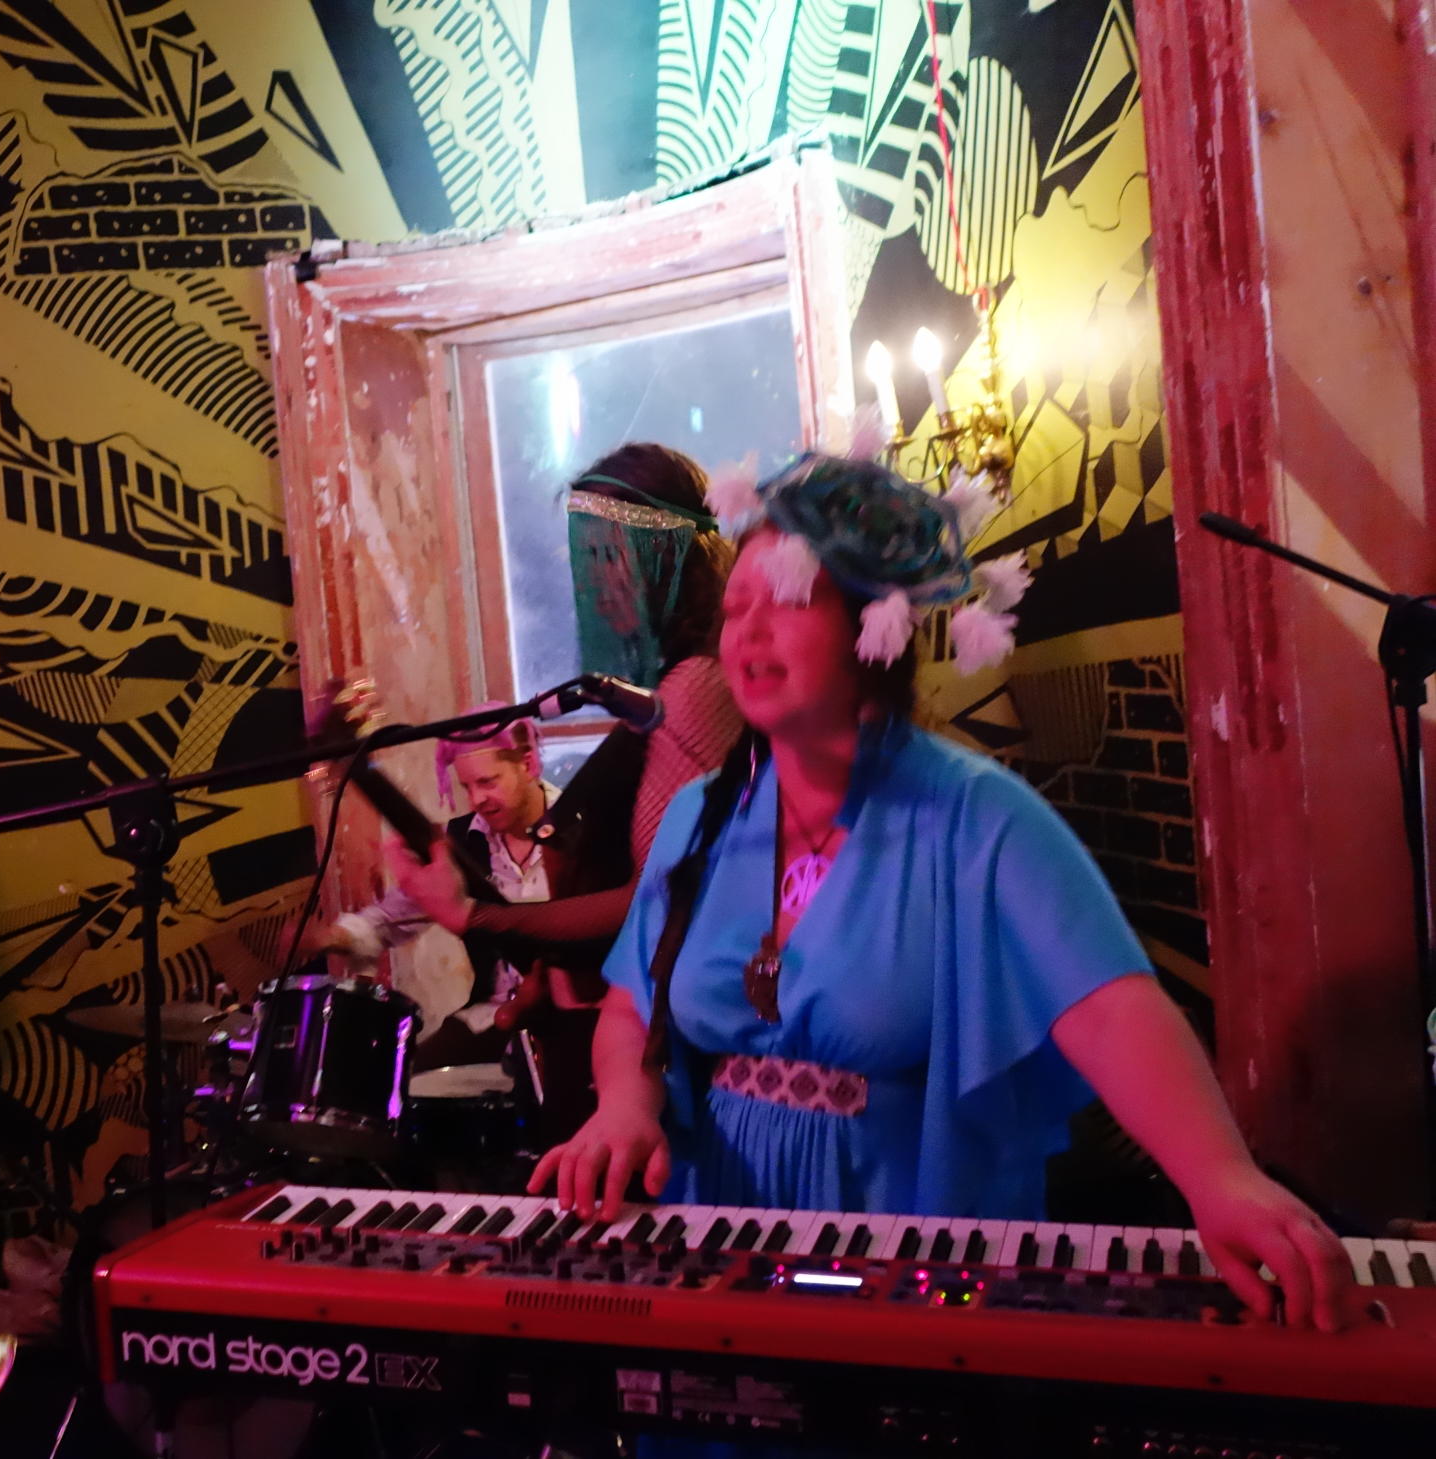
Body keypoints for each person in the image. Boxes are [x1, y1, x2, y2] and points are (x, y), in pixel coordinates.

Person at [530, 454, 1354, 1343]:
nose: (748, 633)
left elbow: (1111, 1008)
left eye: (788, 601)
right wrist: (624, 1106)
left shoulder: (975, 816)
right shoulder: (701, 814)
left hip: (902, 1244)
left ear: (874, 624)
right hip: (717, 1237)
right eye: (736, 609)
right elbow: (632, 1008)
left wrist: (1218, 1175)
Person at [391, 445, 747, 1127]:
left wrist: (474, 916)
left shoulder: (695, 686)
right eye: (584, 557)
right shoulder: (670, 687)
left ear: (663, 554)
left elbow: (656, 899)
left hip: (681, 1053)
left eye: (608, 554)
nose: (594, 580)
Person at [318, 712, 560, 1065]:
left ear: (527, 763)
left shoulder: (580, 829)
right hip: (490, 1017)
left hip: (571, 1017)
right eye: (467, 787)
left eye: (488, 782)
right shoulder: (460, 842)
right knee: (409, 1083)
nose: (477, 799)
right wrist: (333, 937)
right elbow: (390, 918)